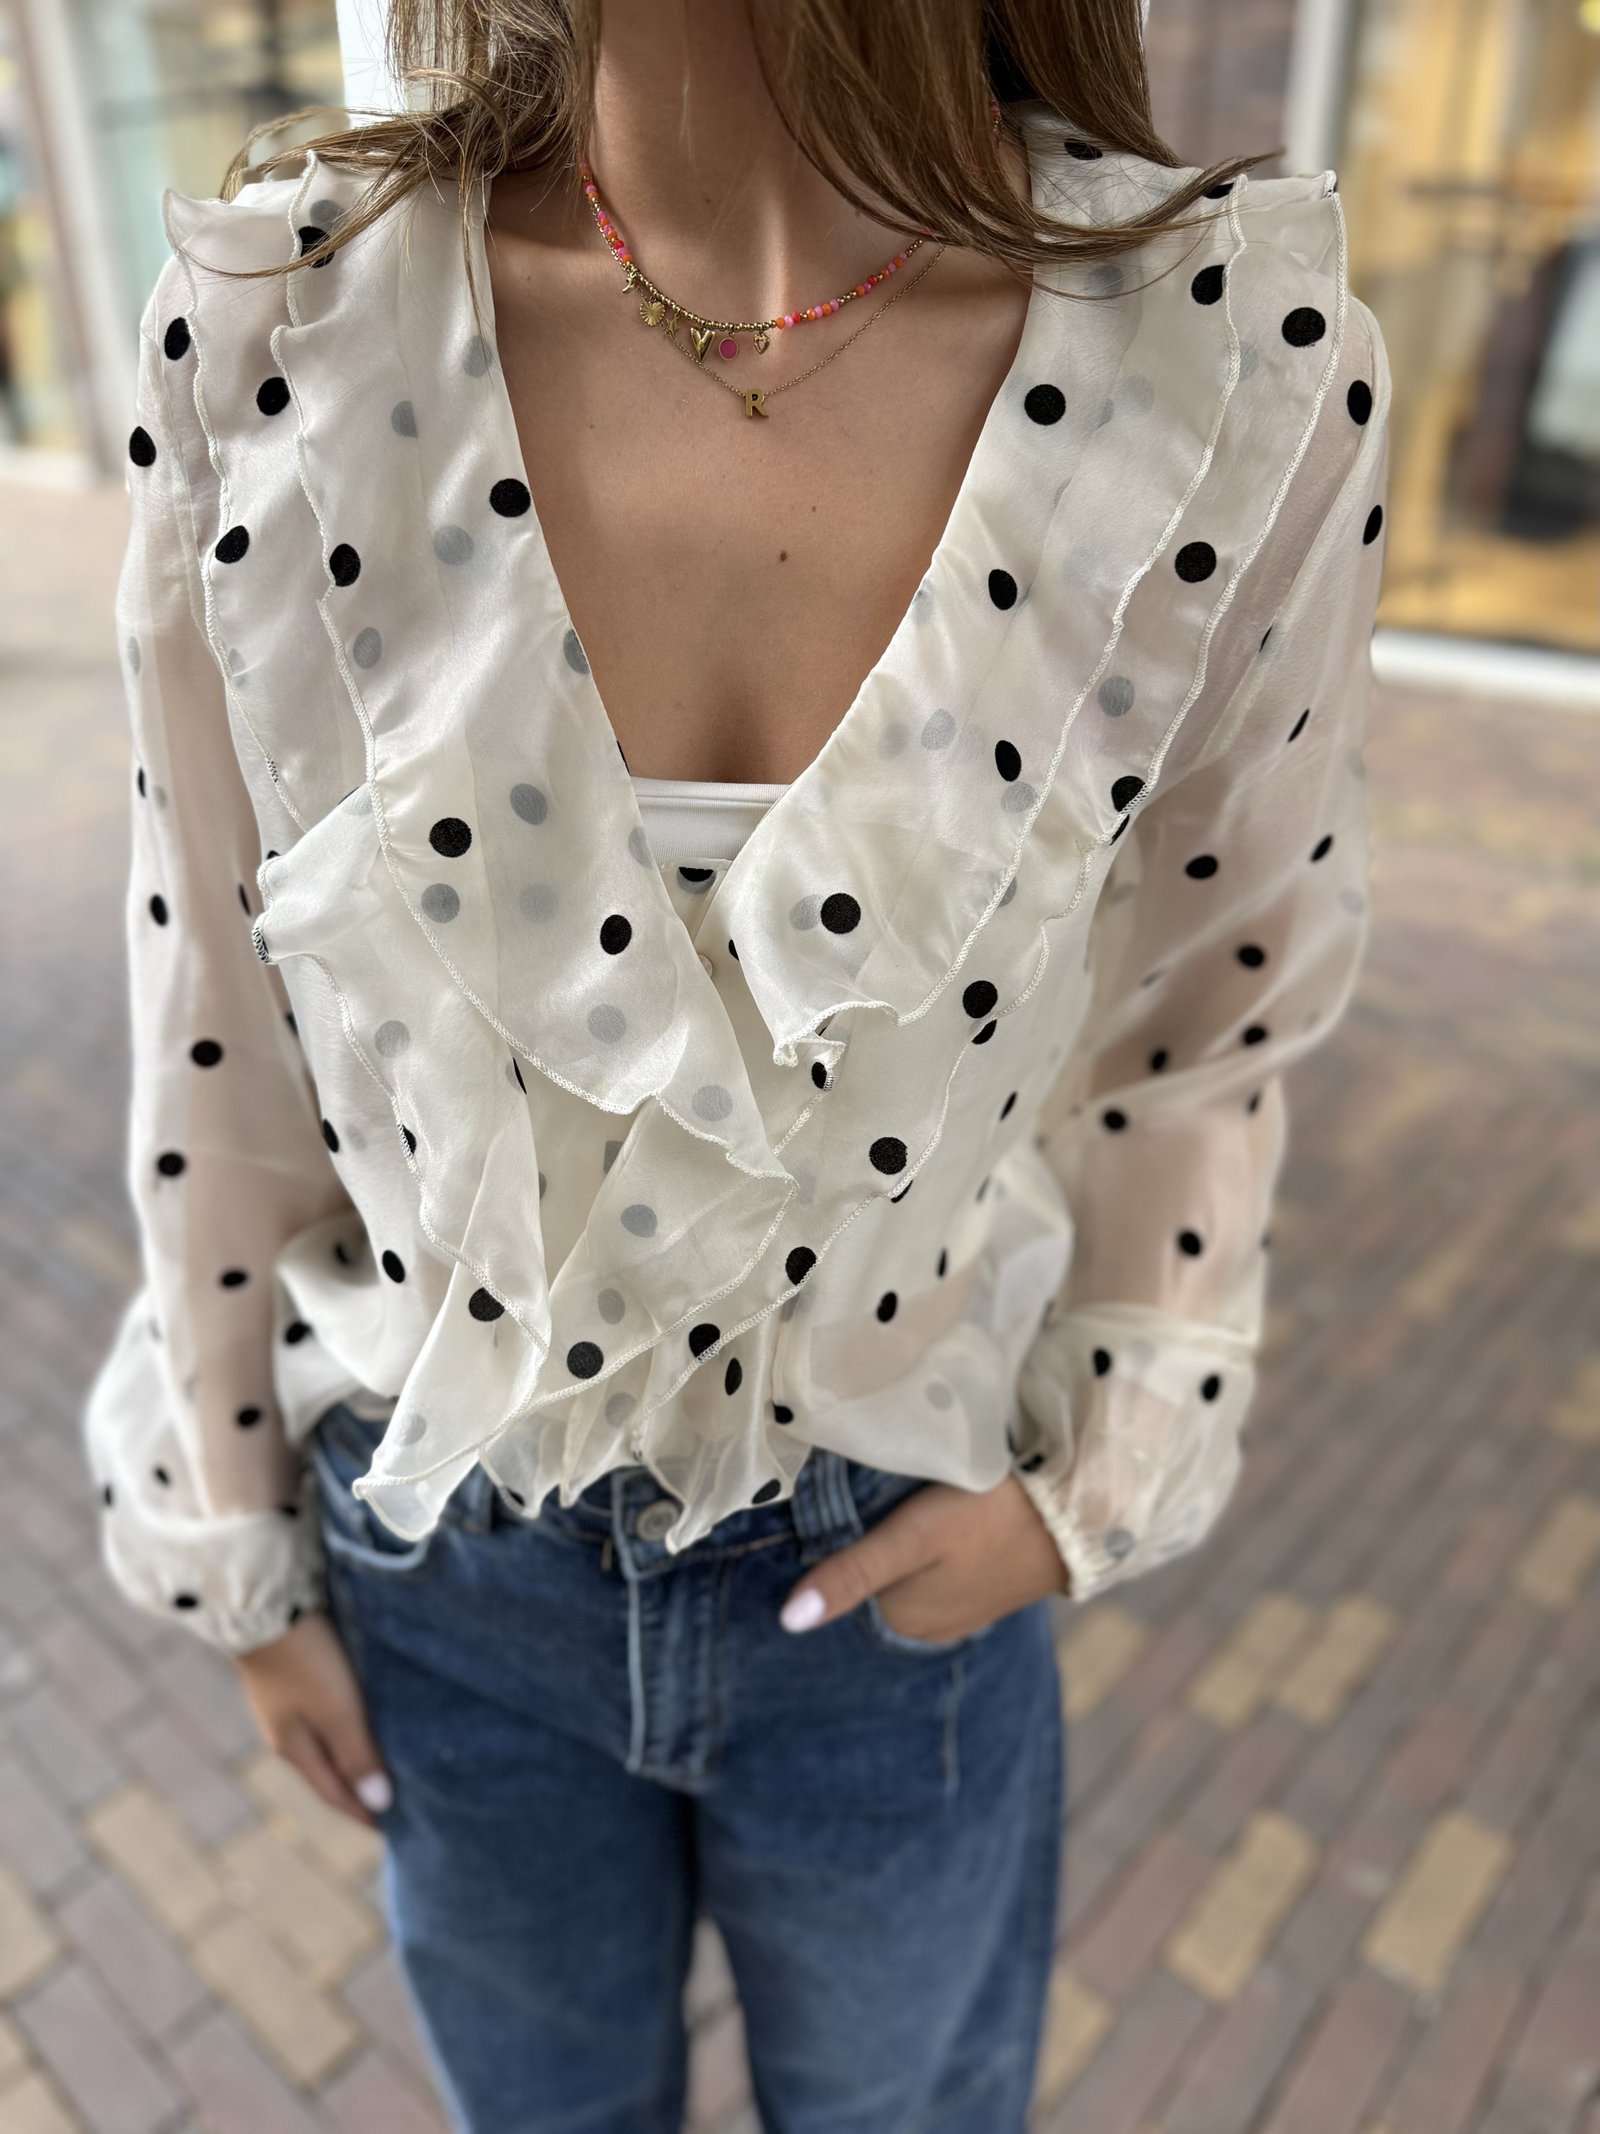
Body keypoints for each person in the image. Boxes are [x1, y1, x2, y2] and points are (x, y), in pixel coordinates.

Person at [83, 1, 1391, 2127]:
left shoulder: (1226, 365)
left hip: (897, 1557)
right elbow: (214, 1002)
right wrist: (229, 1529)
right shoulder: (280, 337)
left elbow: (1217, 995)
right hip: (446, 1548)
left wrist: (1098, 1473)